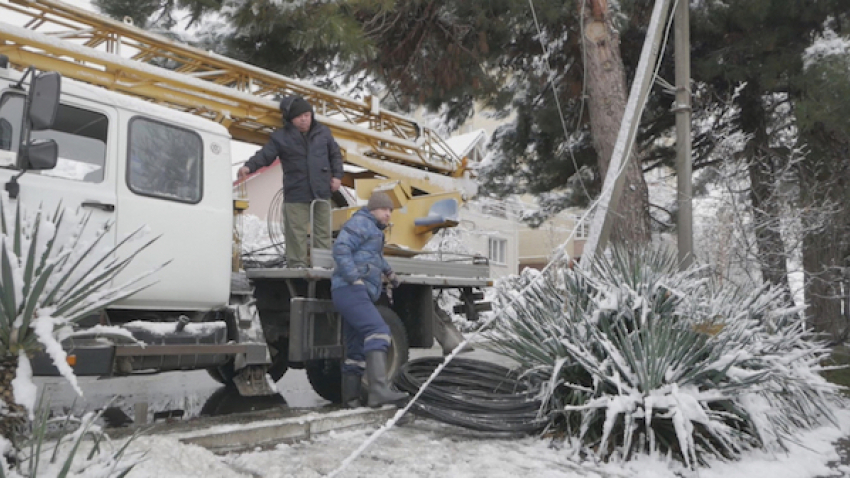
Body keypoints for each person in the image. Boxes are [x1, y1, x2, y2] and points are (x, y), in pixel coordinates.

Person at [238, 96, 344, 268]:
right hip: (296, 192)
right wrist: (249, 167)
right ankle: (297, 268)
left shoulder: (323, 133)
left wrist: (337, 176)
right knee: (296, 234)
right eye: (299, 116)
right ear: (290, 119)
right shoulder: (281, 137)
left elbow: (335, 155)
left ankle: (323, 267)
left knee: (323, 233)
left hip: (321, 192)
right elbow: (265, 154)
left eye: (307, 115)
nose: (304, 119)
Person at [331, 191, 409, 408]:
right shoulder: (361, 223)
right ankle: (378, 391)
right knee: (379, 331)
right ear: (373, 208)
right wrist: (354, 279)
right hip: (350, 289)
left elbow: (375, 258)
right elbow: (341, 248)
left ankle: (351, 399)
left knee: (355, 348)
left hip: (353, 291)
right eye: (385, 209)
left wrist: (391, 275)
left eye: (390, 211)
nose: (388, 215)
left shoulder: (373, 230)